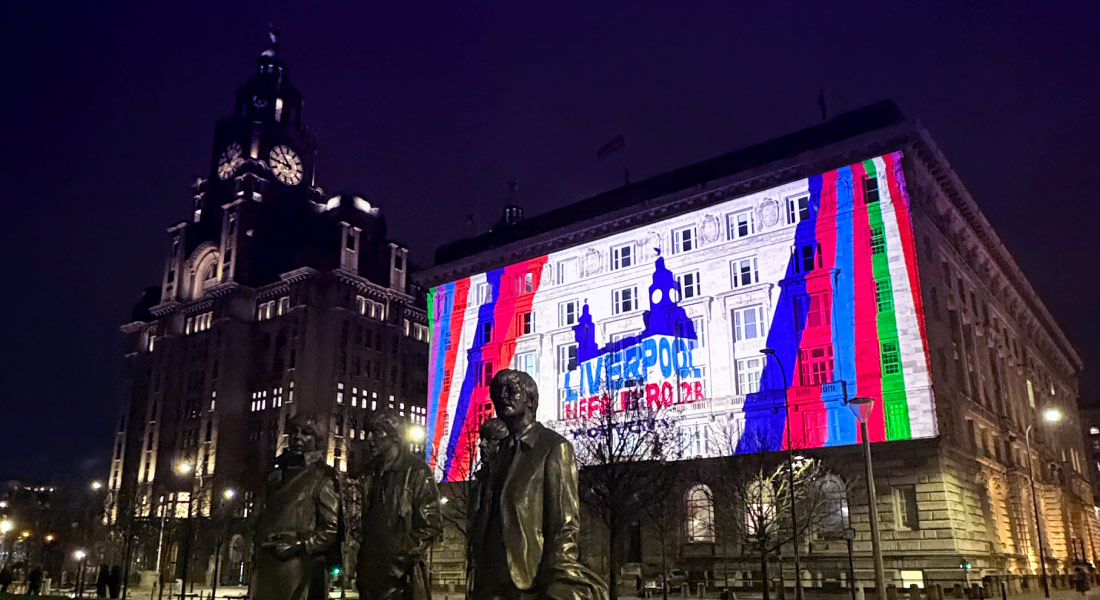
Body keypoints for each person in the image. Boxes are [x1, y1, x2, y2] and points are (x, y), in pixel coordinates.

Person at [470, 368, 608, 600]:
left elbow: (565, 523)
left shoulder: (553, 447)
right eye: (497, 392)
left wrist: (557, 576)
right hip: (489, 580)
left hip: (528, 579)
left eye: (511, 390)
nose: (502, 396)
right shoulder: (499, 453)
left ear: (530, 399)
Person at [251, 414, 341, 600]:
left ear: (318, 440)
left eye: (306, 433)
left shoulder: (323, 476)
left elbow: (331, 529)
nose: (298, 437)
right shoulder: (275, 475)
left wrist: (299, 545)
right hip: (268, 565)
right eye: (294, 432)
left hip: (299, 568)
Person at [355, 408, 442, 600]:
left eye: (376, 433)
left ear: (394, 436)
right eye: (367, 432)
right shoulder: (369, 473)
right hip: (370, 575)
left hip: (401, 578)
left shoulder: (417, 471)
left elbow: (431, 524)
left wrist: (399, 557)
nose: (369, 439)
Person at [467, 418, 509, 595]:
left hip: (505, 570)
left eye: (489, 439)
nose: (481, 444)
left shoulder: (511, 480)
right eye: (482, 439)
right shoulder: (481, 481)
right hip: (482, 566)